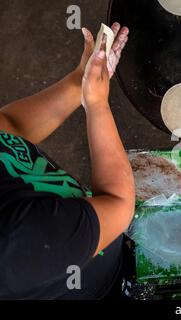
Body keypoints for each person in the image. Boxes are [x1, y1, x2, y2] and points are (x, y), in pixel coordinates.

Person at [0, 22, 135, 299]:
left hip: (80, 228)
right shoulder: (19, 241)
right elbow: (118, 204)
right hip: (98, 285)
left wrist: (79, 83)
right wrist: (97, 105)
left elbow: (11, 126)